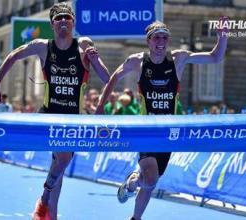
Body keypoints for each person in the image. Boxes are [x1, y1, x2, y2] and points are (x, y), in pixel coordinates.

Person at [96, 19, 228, 220]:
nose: (161, 41)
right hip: (147, 130)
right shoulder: (137, 61)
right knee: (149, 179)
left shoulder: (178, 59)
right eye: (157, 37)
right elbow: (115, 77)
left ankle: (132, 186)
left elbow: (215, 58)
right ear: (148, 40)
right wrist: (100, 107)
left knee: (150, 182)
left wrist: (223, 35)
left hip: (168, 132)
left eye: (165, 38)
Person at [0, 3, 109, 220]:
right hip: (49, 114)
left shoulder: (84, 45)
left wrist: (94, 60)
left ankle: (47, 208)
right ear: (52, 24)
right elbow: (12, 56)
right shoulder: (42, 47)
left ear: (73, 22)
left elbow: (106, 78)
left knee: (59, 165)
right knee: (62, 159)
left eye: (67, 18)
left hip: (73, 117)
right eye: (59, 19)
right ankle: (45, 202)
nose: (63, 21)